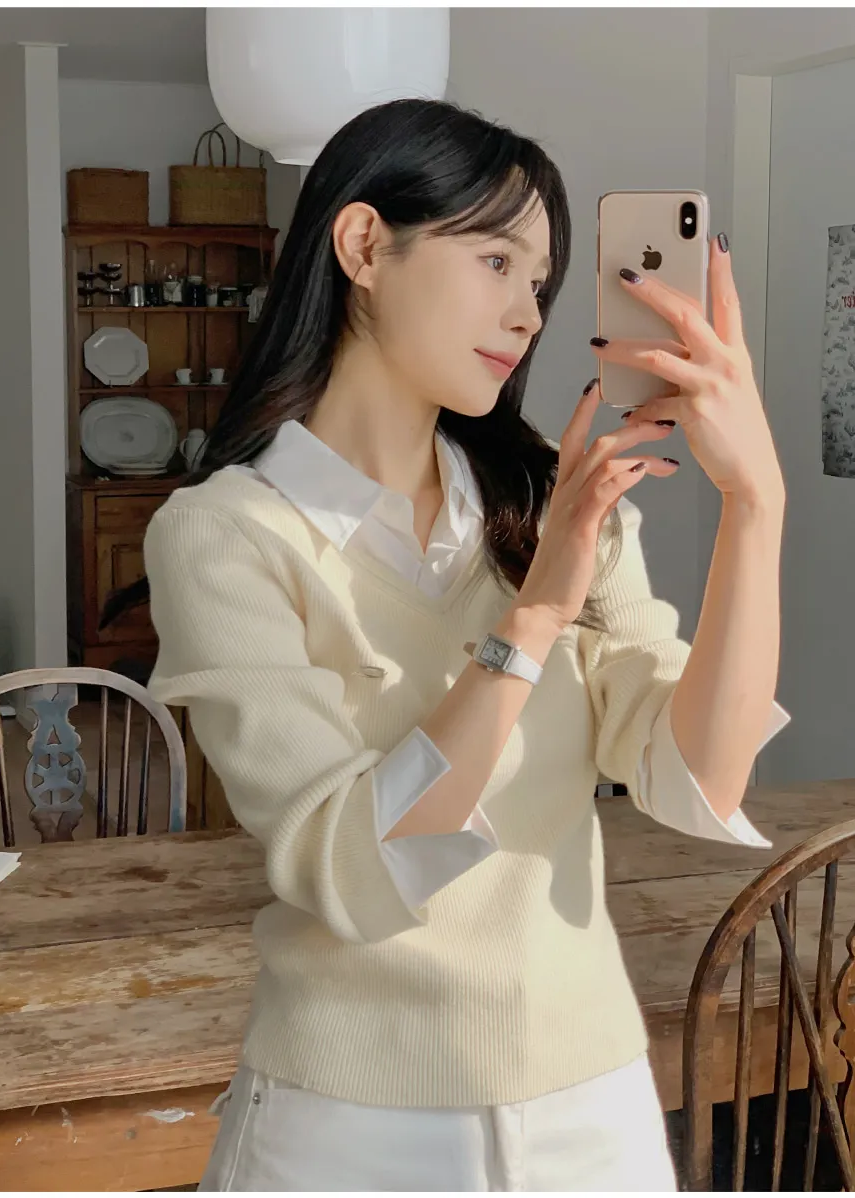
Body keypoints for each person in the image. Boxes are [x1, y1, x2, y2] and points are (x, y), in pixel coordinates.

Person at [140, 99, 789, 1191]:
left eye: (540, 282)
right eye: (495, 260)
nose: (526, 313)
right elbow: (348, 866)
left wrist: (754, 505)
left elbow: (699, 776)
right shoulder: (225, 536)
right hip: (346, 1121)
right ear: (362, 247)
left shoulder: (554, 500)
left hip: (591, 1104)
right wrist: (530, 620)